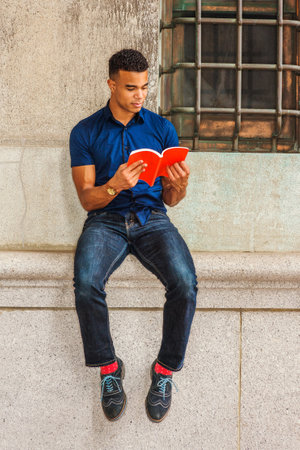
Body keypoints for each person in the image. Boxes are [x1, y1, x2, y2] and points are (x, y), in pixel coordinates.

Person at [69, 49, 198, 423]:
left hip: (151, 218)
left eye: (144, 87)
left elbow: (171, 200)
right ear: (111, 84)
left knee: (185, 283)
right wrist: (114, 185)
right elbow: (85, 199)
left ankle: (165, 371)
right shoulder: (85, 131)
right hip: (105, 220)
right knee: (86, 283)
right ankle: (109, 369)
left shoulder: (161, 129)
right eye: (130, 87)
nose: (140, 95)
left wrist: (180, 186)